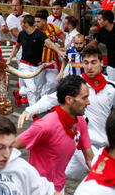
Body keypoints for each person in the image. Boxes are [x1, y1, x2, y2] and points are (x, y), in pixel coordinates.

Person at [18, 45, 115, 181]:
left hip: (106, 143)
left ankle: (43, 180)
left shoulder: (111, 87)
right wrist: (29, 110)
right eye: (85, 63)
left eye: (93, 62)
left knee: (66, 172)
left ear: (101, 63)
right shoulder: (77, 86)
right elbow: (51, 99)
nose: (89, 67)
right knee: (102, 175)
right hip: (84, 144)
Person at [14, 75, 93, 195]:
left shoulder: (80, 122)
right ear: (69, 100)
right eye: (84, 97)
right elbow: (11, 146)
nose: (88, 102)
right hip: (40, 192)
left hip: (59, 187)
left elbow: (90, 158)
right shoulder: (45, 126)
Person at [7, 14, 65, 107]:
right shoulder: (21, 34)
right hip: (25, 65)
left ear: (26, 24)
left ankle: (19, 93)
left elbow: (49, 43)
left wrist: (59, 52)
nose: (20, 24)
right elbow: (17, 47)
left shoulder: (39, 34)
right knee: (32, 89)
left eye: (21, 22)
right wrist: (9, 58)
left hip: (38, 66)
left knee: (37, 91)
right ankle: (33, 114)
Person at [67, 109, 115, 195]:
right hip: (88, 145)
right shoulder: (93, 193)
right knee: (69, 171)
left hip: (101, 145)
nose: (87, 102)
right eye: (84, 97)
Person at [35, 9, 66, 96]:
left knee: (54, 83)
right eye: (35, 22)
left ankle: (45, 102)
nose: (36, 24)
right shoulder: (34, 31)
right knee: (36, 88)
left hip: (51, 62)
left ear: (44, 22)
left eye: (38, 22)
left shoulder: (52, 27)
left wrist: (59, 43)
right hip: (38, 63)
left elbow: (64, 38)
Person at [88, 10, 115, 80]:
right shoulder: (102, 31)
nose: (98, 22)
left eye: (99, 19)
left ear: (106, 21)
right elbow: (95, 42)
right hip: (111, 65)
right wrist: (84, 48)